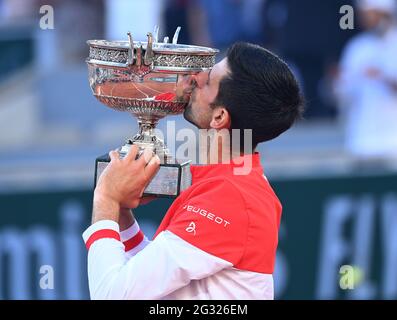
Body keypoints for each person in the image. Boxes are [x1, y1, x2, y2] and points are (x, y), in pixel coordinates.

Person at [82, 42, 304, 299]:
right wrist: (121, 212)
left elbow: (111, 296)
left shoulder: (231, 197)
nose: (196, 77)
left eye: (208, 79)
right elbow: (150, 282)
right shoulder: (235, 183)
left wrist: (106, 199)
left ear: (219, 117)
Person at [335, 0, 397, 160]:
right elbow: (342, 91)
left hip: (392, 143)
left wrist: (383, 76)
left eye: (372, 14)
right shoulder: (357, 46)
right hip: (361, 142)